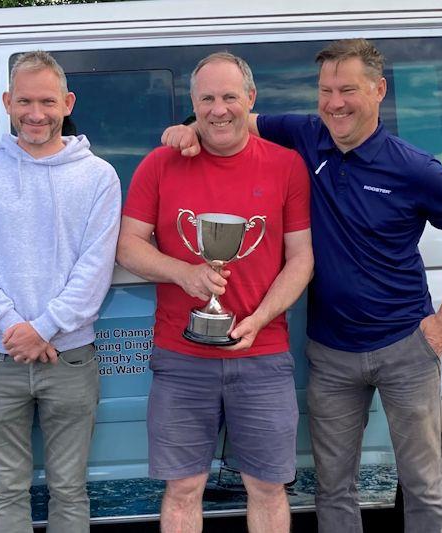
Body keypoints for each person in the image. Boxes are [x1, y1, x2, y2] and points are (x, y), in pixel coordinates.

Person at [160, 39, 442, 533]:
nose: (335, 102)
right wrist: (184, 130)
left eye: (348, 90)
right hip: (331, 351)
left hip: (406, 347)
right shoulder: (307, 134)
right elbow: (230, 118)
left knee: (422, 484)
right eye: (326, 90)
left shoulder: (414, 166)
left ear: (378, 90)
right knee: (334, 488)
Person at [116, 52, 314, 533]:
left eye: (229, 97)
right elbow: (127, 247)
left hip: (262, 354)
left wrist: (262, 317)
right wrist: (184, 274)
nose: (218, 109)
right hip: (181, 358)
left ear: (250, 99)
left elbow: (302, 258)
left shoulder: (286, 166)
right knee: (183, 490)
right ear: (193, 103)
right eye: (206, 98)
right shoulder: (160, 165)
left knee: (267, 489)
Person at [0, 50, 121, 533]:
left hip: (70, 359)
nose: (36, 113)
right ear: (7, 102)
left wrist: (42, 329)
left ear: (67, 102)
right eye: (25, 100)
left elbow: (95, 268)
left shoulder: (98, 177)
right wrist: (14, 328)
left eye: (47, 101)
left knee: (69, 490)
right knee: (7, 490)